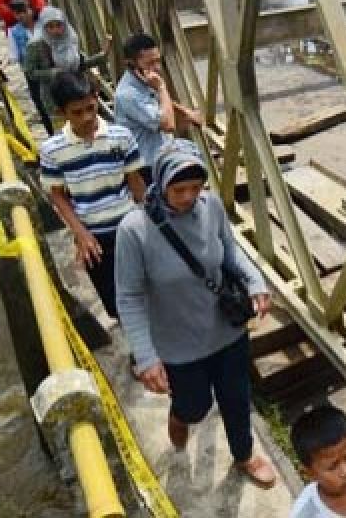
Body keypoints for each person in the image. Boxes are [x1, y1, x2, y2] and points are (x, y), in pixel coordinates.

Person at [115, 141, 276, 488]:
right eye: (179, 189)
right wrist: (146, 356)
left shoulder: (212, 206)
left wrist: (255, 281)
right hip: (177, 344)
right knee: (194, 407)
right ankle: (180, 416)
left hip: (225, 329)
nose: (189, 197)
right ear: (160, 184)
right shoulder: (134, 231)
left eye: (196, 187)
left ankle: (244, 453)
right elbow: (128, 296)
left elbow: (230, 251)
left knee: (236, 397)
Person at [39, 72, 145, 322]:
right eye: (77, 112)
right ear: (62, 112)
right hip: (94, 238)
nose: (87, 117)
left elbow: (136, 183)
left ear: (97, 99)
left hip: (130, 227)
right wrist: (81, 234)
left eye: (91, 108)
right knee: (114, 300)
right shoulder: (53, 151)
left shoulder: (121, 136)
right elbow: (58, 197)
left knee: (146, 290)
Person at [114, 32, 203, 182]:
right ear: (130, 64)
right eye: (150, 63)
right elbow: (168, 125)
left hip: (161, 158)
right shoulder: (128, 95)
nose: (156, 68)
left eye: (158, 61)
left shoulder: (144, 81)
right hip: (146, 168)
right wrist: (162, 88)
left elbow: (159, 101)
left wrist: (186, 112)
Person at [23, 7, 103, 134]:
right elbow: (29, 72)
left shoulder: (70, 39)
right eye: (50, 26)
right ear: (43, 27)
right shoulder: (35, 45)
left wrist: (101, 57)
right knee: (64, 133)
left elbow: (79, 65)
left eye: (59, 25)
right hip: (54, 98)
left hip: (79, 92)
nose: (56, 31)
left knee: (87, 127)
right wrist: (52, 73)